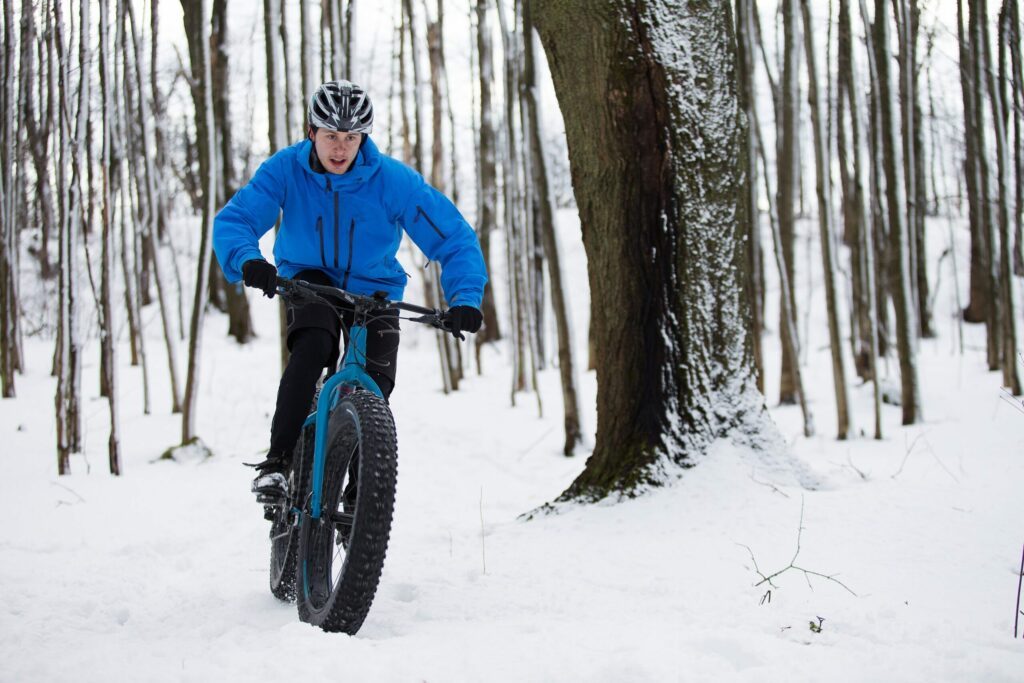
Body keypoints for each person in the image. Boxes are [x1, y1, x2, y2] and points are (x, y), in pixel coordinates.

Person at [213, 79, 487, 500]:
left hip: (374, 289)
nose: (340, 148)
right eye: (331, 137)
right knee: (313, 347)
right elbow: (237, 221)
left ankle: (362, 503)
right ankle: (279, 462)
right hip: (309, 281)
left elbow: (453, 238)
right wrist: (248, 259)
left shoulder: (392, 181)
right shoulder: (285, 170)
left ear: (364, 138)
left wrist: (465, 298)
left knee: (374, 383)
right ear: (312, 133)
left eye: (351, 137)